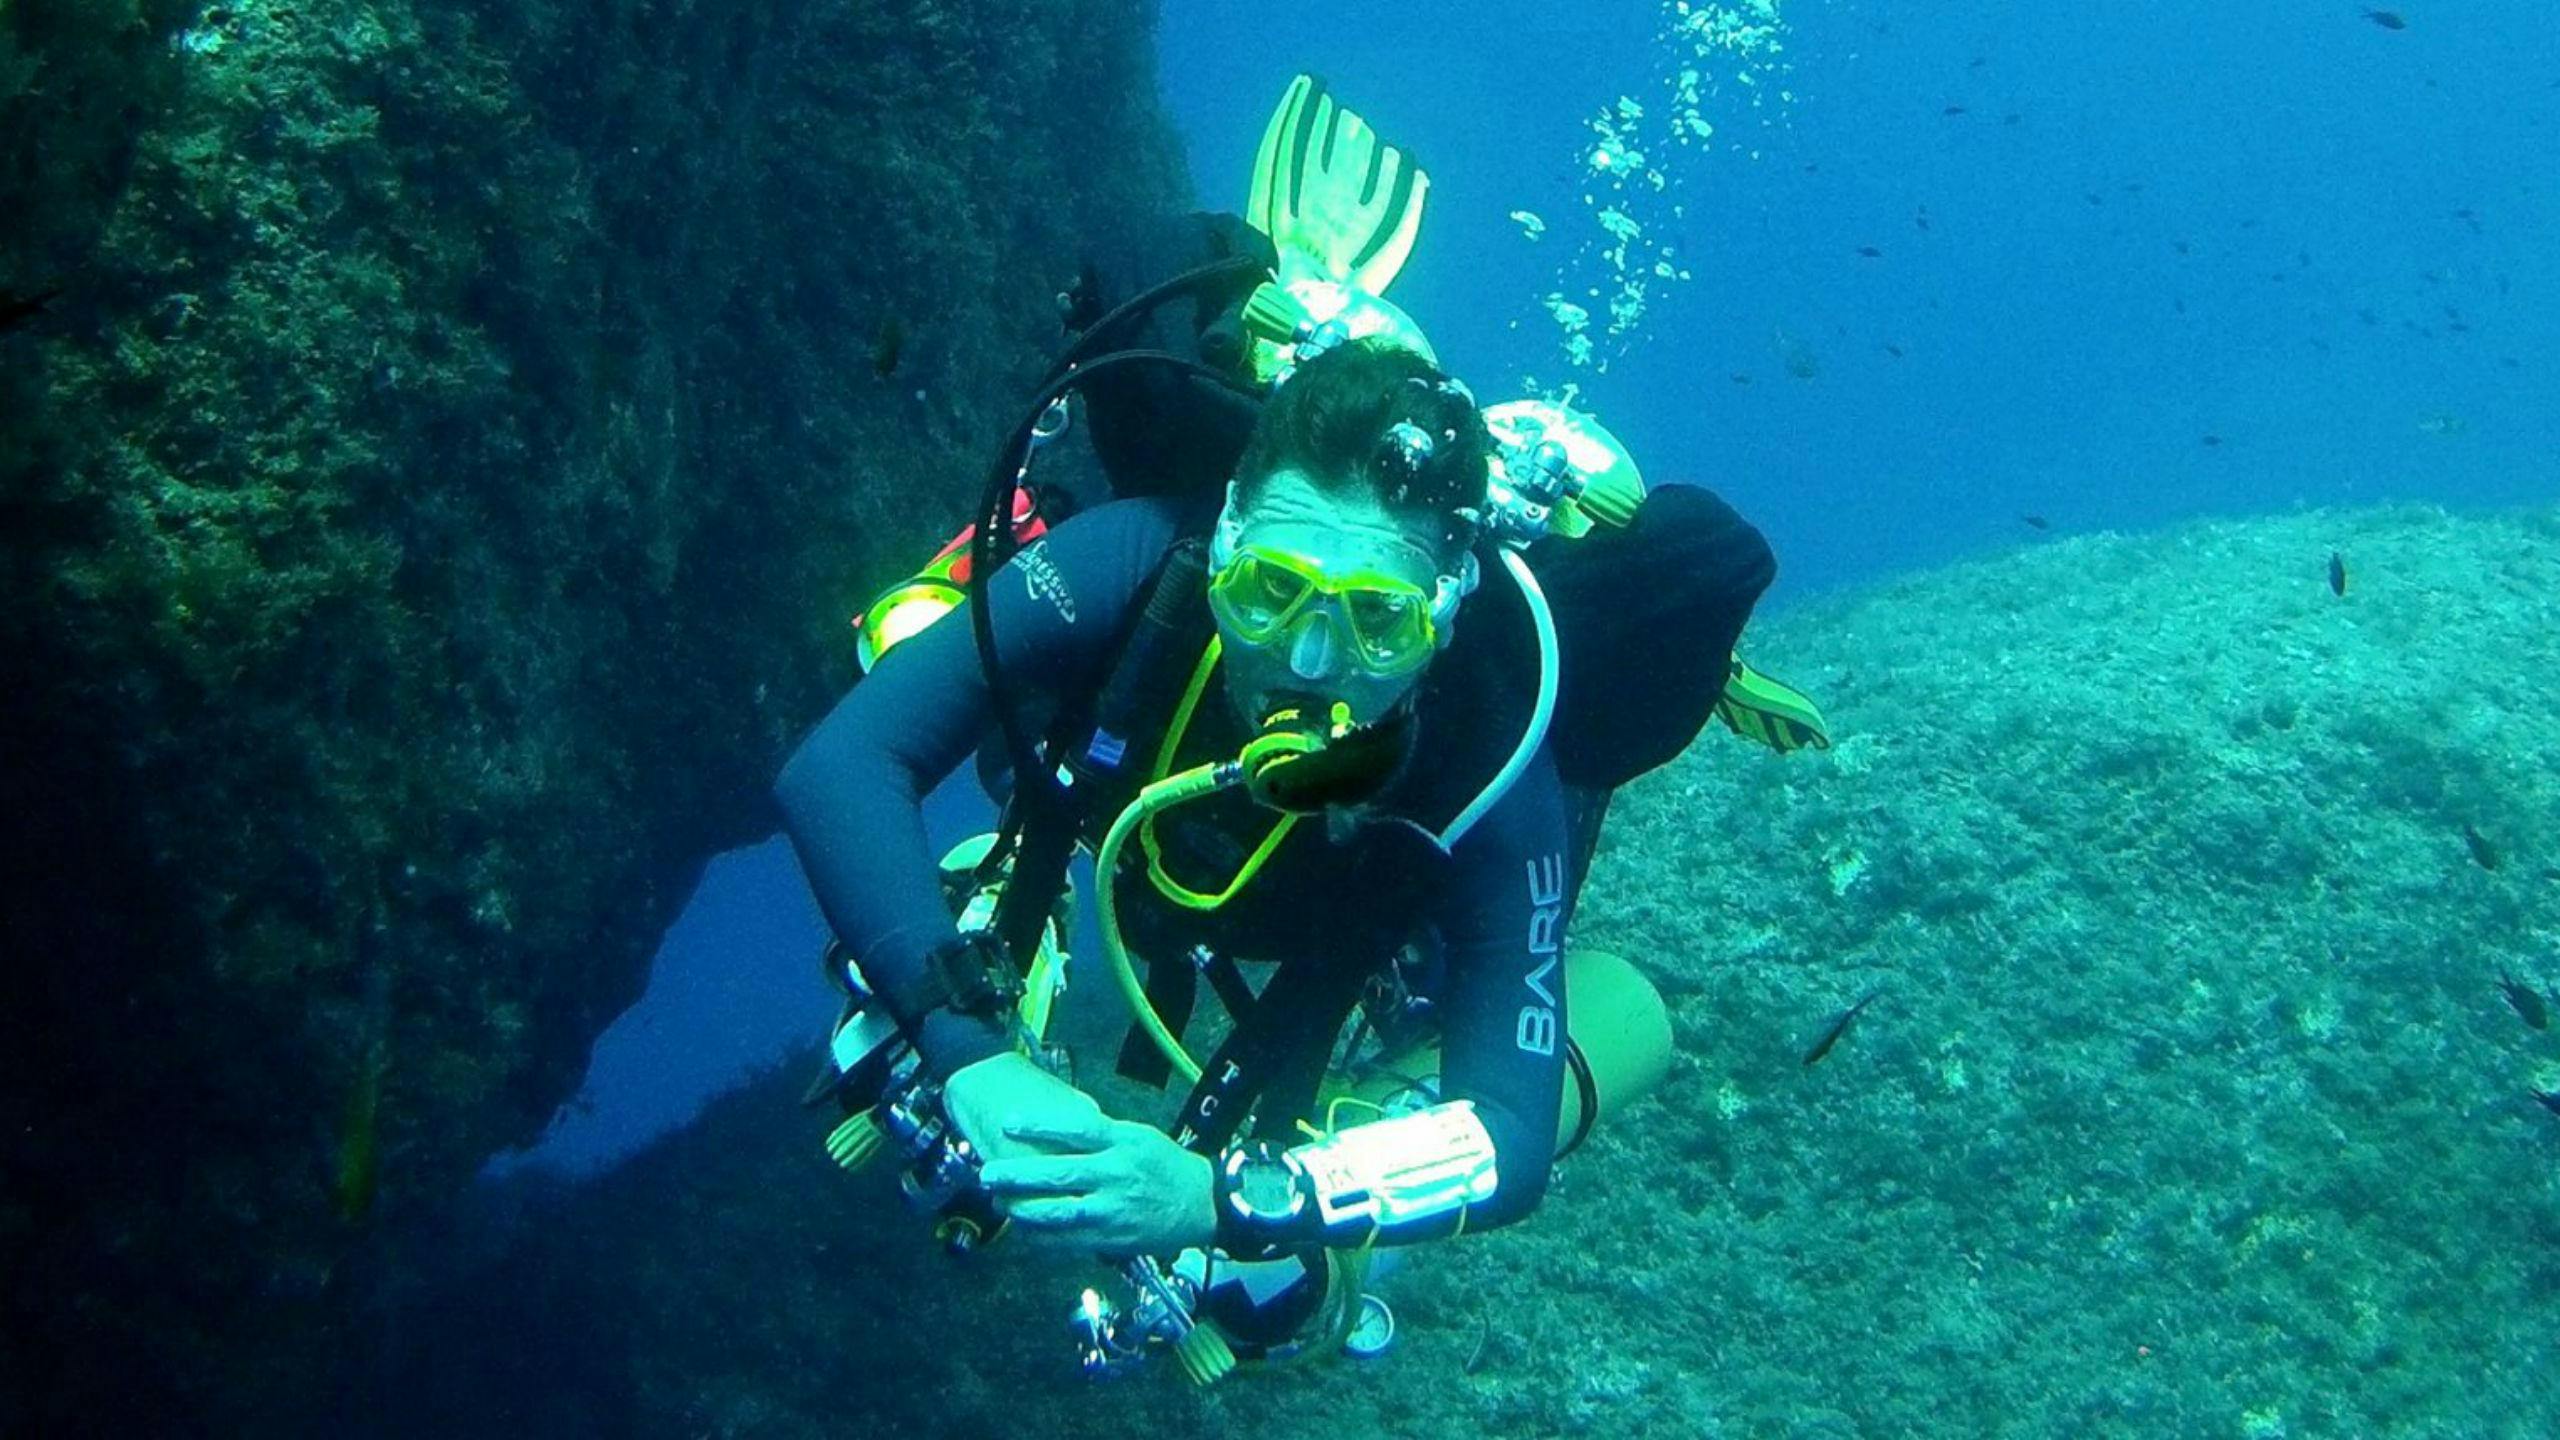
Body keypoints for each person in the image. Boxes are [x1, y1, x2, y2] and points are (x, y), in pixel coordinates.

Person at [776, 76, 1786, 1369]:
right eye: (1271, 593)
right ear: (1227, 537)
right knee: (912, 673)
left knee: (1301, 1256)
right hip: (1135, 834)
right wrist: (969, 1049)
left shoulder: (1494, 763)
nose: (1310, 661)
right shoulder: (1143, 559)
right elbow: (838, 763)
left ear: (1447, 605)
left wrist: (1230, 1199)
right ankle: (991, 922)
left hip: (1349, 957)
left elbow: (1507, 1138)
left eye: (1375, 619)